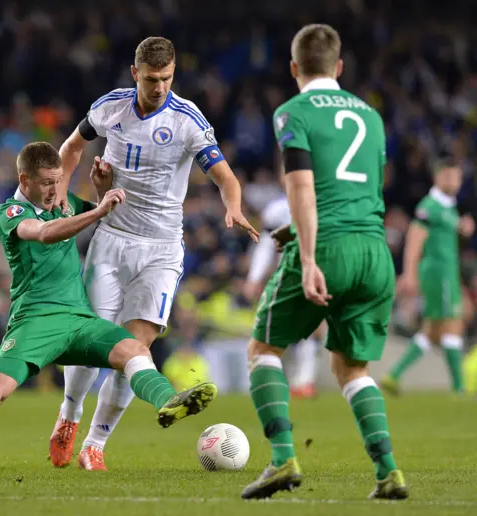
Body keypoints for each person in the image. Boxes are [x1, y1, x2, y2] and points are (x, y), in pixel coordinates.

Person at [0, 142, 217, 473]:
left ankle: (169, 402)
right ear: (24, 179)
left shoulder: (64, 201)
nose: (55, 189)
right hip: (36, 321)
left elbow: (105, 220)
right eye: (46, 182)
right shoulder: (11, 213)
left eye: (59, 180)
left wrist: (101, 193)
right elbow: (44, 233)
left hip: (79, 320)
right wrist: (97, 210)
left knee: (135, 350)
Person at [48, 36, 259, 471]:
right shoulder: (111, 107)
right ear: (135, 74)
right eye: (150, 79)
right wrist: (60, 196)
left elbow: (226, 178)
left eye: (166, 78)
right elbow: (71, 147)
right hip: (111, 238)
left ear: (173, 73)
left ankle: (95, 445)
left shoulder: (187, 120)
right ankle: (68, 416)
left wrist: (233, 206)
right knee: (93, 342)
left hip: (161, 249)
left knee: (135, 346)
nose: (159, 86)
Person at [240, 24, 408, 500]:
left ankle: (282, 460)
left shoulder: (292, 112)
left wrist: (307, 255)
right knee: (352, 369)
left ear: (295, 68)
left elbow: (301, 186)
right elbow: (360, 190)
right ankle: (389, 471)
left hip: (327, 247)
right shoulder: (371, 117)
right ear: (339, 67)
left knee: (263, 350)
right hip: (374, 251)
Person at [382, 160, 475, 395]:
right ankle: (458, 387)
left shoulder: (447, 207)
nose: (455, 182)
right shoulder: (430, 206)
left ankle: (394, 375)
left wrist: (462, 229)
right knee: (452, 325)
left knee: (432, 330)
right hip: (438, 273)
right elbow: (415, 236)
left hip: (447, 273)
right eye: (450, 176)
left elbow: (445, 237)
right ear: (438, 177)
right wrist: (410, 274)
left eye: (458, 177)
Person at [244, 173, 326, 399]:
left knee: (312, 326)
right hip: (286, 275)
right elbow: (266, 246)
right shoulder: (277, 209)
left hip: (318, 270)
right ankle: (284, 380)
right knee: (280, 328)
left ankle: (305, 382)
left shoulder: (323, 203)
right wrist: (254, 277)